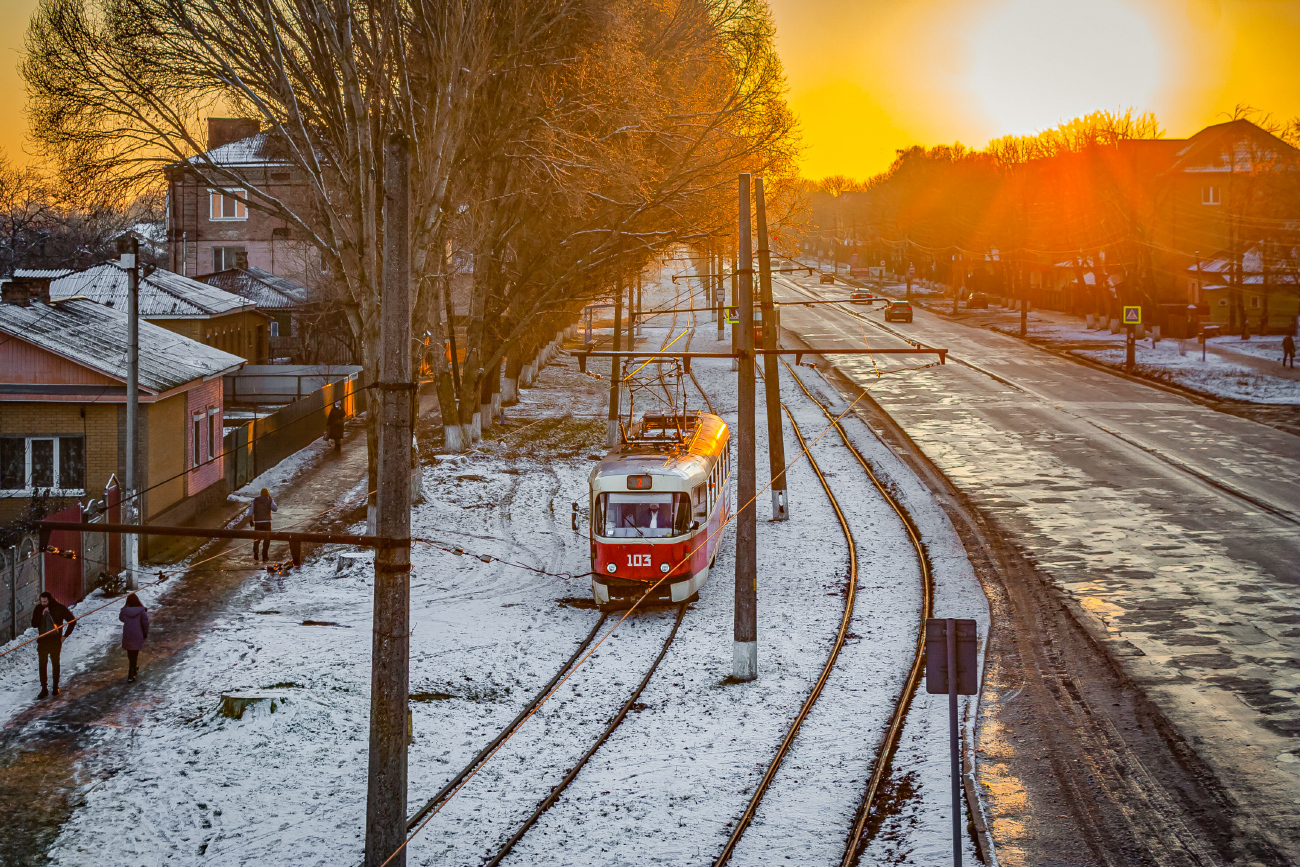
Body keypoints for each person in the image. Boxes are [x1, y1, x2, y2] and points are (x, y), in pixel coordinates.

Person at [31, 591, 75, 698]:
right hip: (43, 641)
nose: (43, 603)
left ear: (49, 600)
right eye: (41, 601)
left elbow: (72, 621)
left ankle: (55, 686)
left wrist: (64, 636)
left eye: (45, 601)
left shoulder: (59, 608)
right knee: (42, 664)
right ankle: (44, 688)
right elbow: (34, 624)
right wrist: (42, 615)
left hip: (55, 641)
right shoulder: (38, 609)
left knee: (55, 663)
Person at [118, 593, 149, 683]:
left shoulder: (124, 611)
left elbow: (121, 619)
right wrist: (145, 633)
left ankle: (133, 670)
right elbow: (145, 624)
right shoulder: (141, 611)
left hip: (128, 635)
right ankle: (132, 673)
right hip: (138, 635)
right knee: (135, 655)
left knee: (130, 655)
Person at [248, 487, 278, 561]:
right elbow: (275, 509)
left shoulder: (255, 500)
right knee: (267, 539)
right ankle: (265, 555)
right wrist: (271, 500)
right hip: (267, 522)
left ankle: (256, 551)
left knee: (257, 538)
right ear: (268, 494)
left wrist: (251, 520)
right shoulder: (269, 500)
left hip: (258, 522)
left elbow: (250, 512)